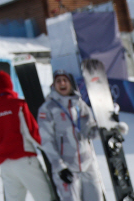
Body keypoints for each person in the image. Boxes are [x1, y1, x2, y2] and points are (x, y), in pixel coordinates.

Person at [37, 70, 112, 201]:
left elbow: (90, 132)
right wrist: (60, 167)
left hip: (87, 166)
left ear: (71, 84)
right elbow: (46, 141)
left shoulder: (80, 105)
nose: (62, 83)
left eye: (65, 80)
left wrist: (109, 129)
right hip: (67, 168)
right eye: (58, 81)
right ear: (53, 85)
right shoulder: (48, 108)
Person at [0, 71, 53, 201]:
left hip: (5, 165)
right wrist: (51, 149)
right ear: (10, 84)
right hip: (25, 159)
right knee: (45, 197)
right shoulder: (19, 104)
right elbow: (32, 132)